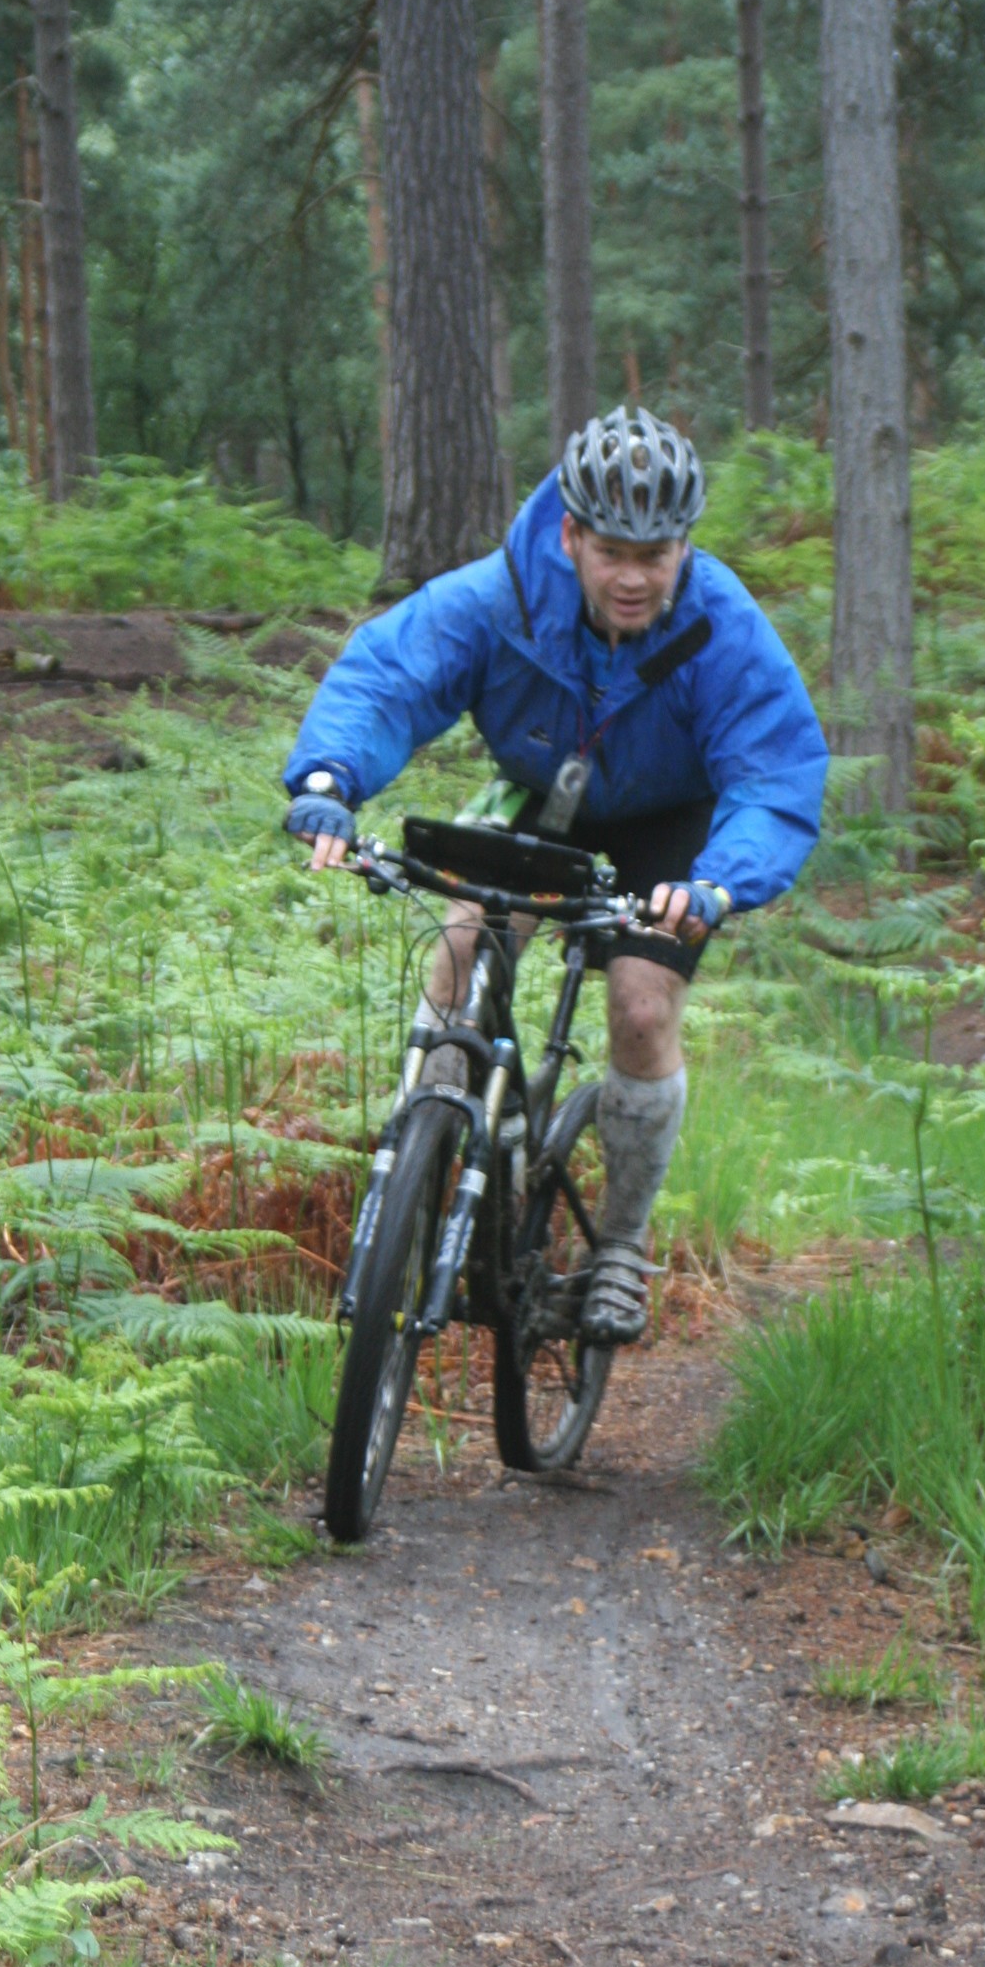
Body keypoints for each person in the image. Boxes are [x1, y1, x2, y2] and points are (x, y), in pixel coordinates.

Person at [282, 405, 827, 1343]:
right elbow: (390, 676)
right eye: (612, 552)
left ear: (684, 547)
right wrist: (329, 780)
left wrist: (719, 883)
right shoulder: (504, 596)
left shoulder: (721, 625)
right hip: (543, 789)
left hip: (670, 820)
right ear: (571, 536)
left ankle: (620, 1244)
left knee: (642, 1008)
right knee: (462, 947)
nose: (633, 578)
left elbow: (774, 770)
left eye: (655, 555)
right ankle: (425, 1157)